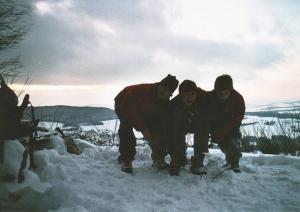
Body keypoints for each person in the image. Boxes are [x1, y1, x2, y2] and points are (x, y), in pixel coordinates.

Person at [114, 74, 179, 173]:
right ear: (159, 84)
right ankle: (126, 160)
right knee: (126, 128)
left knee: (159, 131)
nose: (164, 90)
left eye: (168, 90)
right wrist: (144, 129)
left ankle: (158, 158)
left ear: (170, 94)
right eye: (163, 86)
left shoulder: (164, 101)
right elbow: (131, 111)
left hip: (145, 110)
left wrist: (154, 136)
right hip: (123, 105)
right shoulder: (142, 92)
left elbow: (161, 121)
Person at [168, 80, 211, 176]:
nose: (190, 97)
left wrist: (196, 114)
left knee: (204, 125)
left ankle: (198, 158)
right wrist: (174, 154)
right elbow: (169, 130)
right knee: (174, 127)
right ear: (180, 95)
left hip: (199, 123)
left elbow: (212, 115)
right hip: (181, 124)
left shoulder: (205, 98)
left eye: (192, 94)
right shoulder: (173, 105)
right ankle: (178, 157)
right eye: (186, 94)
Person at [208, 74, 245, 172]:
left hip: (231, 126)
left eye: (225, 93)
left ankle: (234, 162)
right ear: (216, 91)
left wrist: (224, 129)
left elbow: (239, 117)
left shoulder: (238, 99)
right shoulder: (210, 97)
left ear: (230, 91)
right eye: (220, 93)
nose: (222, 96)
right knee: (222, 143)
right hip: (214, 125)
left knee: (234, 142)